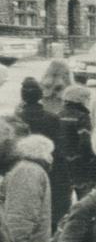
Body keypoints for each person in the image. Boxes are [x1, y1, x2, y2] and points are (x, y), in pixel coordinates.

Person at [16, 76, 73, 227]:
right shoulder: (52, 118)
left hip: (22, 170)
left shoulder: (16, 119)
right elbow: (61, 148)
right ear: (40, 95)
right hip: (52, 169)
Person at [59, 85, 96, 199]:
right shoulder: (82, 117)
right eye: (88, 98)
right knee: (85, 195)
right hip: (79, 161)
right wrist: (90, 159)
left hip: (63, 160)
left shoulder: (59, 114)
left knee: (65, 195)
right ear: (82, 100)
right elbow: (85, 142)